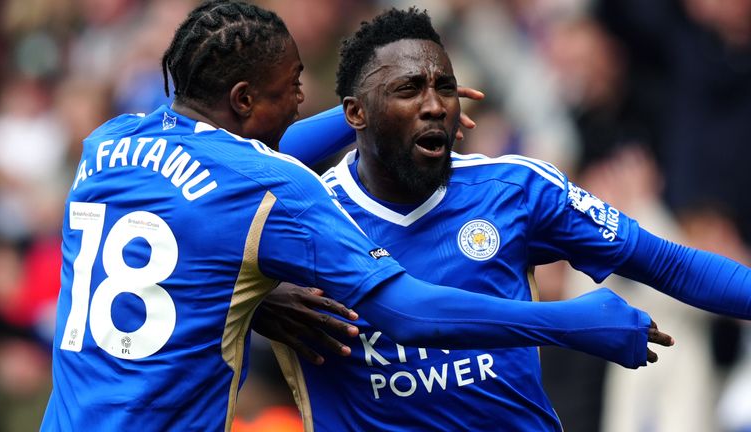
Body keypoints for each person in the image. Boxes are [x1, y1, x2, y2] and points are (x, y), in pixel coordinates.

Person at [39, 2, 674, 431]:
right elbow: (405, 312)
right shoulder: (276, 186)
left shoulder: (108, 144)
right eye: (290, 86)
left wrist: (380, 111)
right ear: (241, 97)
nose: (299, 99)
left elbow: (205, 213)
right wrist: (566, 321)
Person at [259, 7, 751, 431]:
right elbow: (213, 189)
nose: (434, 106)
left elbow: (673, 266)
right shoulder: (300, 215)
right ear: (355, 115)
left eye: (445, 88)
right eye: (409, 89)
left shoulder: (517, 188)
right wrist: (260, 299)